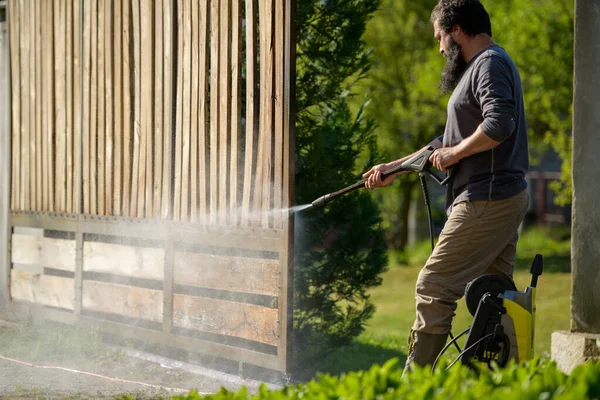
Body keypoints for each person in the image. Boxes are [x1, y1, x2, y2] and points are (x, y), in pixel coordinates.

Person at [362, 0, 530, 372]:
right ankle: (506, 380)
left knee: (434, 285)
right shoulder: (482, 68)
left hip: (486, 196)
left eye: (440, 37)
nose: (439, 48)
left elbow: (499, 125)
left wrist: (455, 154)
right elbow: (447, 140)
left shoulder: (489, 63)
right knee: (496, 293)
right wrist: (395, 167)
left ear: (457, 30)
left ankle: (417, 385)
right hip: (499, 196)